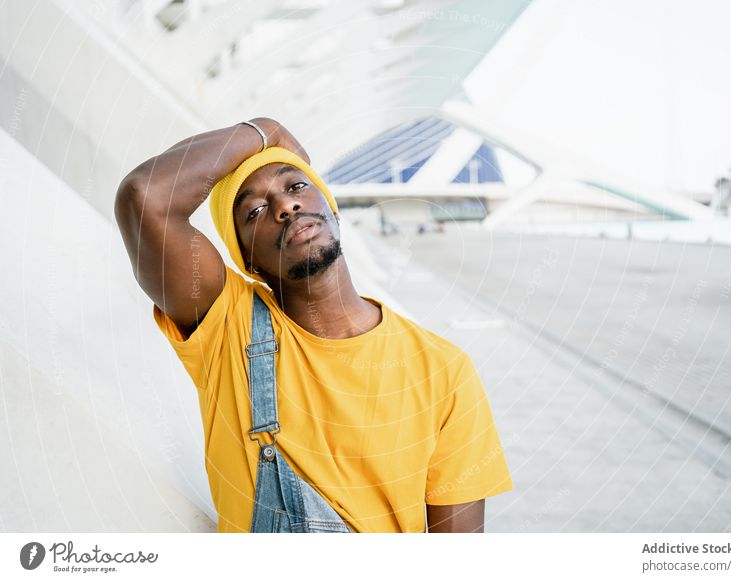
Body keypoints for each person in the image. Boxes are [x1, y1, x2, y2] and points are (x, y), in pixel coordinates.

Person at [114, 118, 512, 533]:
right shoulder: (227, 327)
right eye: (255, 211)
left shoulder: (444, 370)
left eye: (297, 187)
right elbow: (144, 198)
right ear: (247, 260)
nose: (285, 206)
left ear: (331, 208)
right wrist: (264, 129)